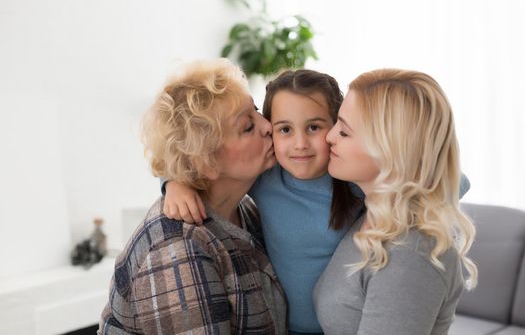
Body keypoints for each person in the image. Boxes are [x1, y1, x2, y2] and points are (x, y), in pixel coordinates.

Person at [164, 69, 471, 334]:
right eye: (285, 129)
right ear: (271, 133)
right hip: (283, 323)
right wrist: (175, 184)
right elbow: (195, 158)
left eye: (320, 127)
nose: (302, 143)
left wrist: (408, 188)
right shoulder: (267, 178)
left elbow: (449, 176)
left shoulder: (355, 187)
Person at [98, 59, 286, 334]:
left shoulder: (245, 208)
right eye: (247, 126)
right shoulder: (178, 248)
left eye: (256, 111)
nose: (268, 126)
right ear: (206, 161)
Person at [313, 68, 478, 335]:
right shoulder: (373, 218)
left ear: (389, 149)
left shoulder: (411, 252)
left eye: (344, 131)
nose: (329, 137)